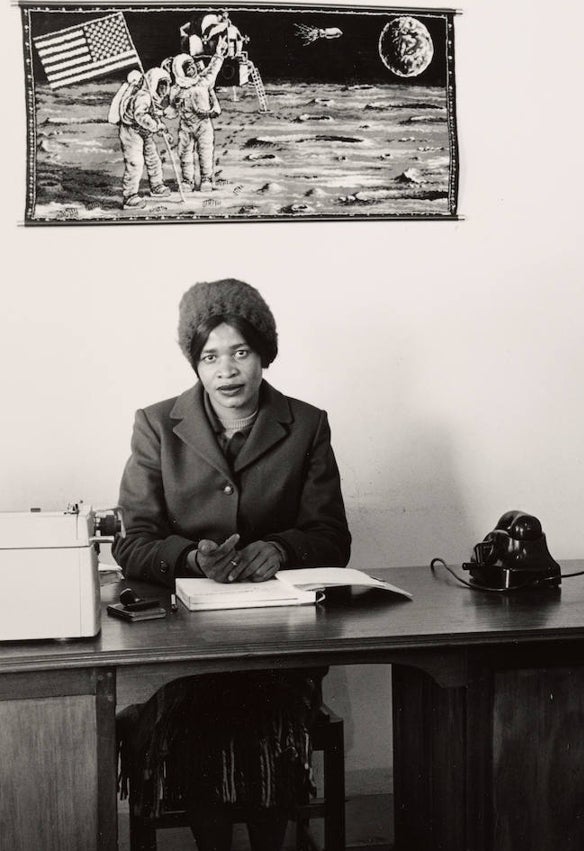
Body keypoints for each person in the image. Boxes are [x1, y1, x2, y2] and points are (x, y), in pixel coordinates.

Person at [113, 278, 352, 851]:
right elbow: (133, 541)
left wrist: (284, 549)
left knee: (264, 719)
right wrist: (191, 558)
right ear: (195, 364)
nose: (227, 370)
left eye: (240, 352)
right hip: (186, 647)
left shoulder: (308, 423)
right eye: (210, 356)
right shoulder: (155, 424)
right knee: (200, 721)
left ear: (263, 353)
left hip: (280, 643)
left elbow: (331, 536)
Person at [115, 66, 174, 209]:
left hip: (144, 132)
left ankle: (157, 185)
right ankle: (130, 196)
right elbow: (141, 116)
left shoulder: (154, 99)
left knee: (153, 159)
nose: (164, 89)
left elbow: (154, 117)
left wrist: (163, 131)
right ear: (153, 83)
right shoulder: (143, 96)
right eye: (161, 85)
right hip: (131, 131)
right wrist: (155, 126)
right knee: (135, 162)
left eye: (166, 85)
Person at [169, 50, 225, 191]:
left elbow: (213, 69)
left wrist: (219, 55)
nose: (192, 69)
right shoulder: (177, 88)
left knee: (205, 151)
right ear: (181, 71)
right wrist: (175, 101)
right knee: (185, 153)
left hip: (203, 124)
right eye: (188, 68)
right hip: (186, 125)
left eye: (193, 65)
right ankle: (188, 181)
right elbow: (171, 108)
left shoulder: (203, 81)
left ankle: (206, 178)